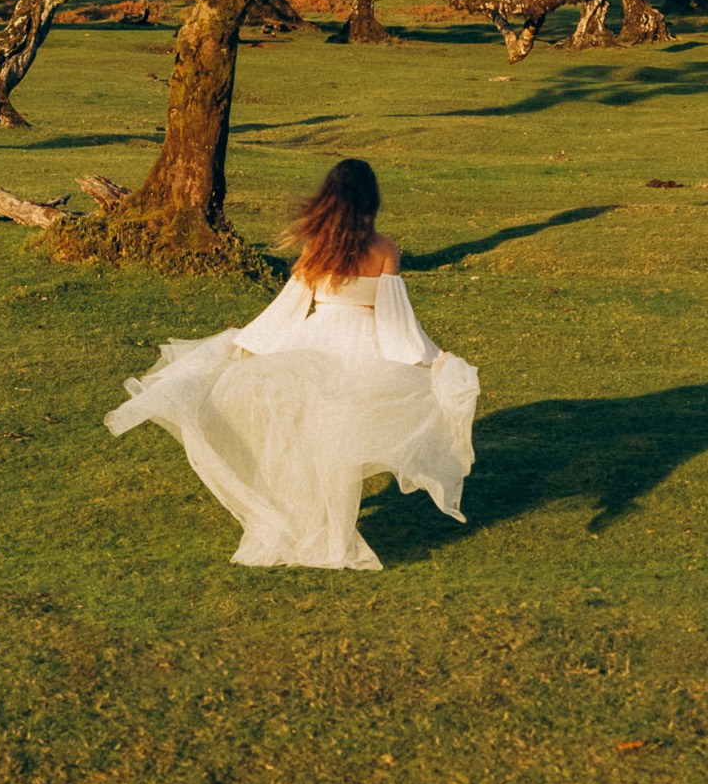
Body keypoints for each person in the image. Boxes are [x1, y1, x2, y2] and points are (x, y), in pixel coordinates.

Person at [103, 159, 477, 571]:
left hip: (315, 344)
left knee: (305, 441)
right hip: (362, 348)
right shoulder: (385, 249)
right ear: (371, 200)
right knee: (338, 442)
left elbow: (290, 307)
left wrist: (250, 340)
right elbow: (396, 321)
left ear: (328, 199)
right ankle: (333, 535)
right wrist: (430, 357)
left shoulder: (316, 247)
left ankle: (308, 527)